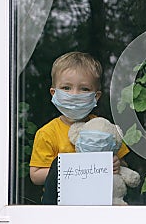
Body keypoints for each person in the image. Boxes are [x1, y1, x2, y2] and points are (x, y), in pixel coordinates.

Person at [29, 51, 129, 188]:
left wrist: (117, 164)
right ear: (54, 93)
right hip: (59, 206)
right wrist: (73, 169)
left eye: (84, 89)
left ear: (96, 96)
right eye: (66, 88)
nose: (74, 94)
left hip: (99, 203)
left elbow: (122, 164)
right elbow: (35, 175)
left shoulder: (105, 128)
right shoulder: (47, 133)